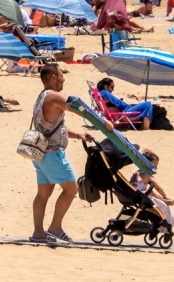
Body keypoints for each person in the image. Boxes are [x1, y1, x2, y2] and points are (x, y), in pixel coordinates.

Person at [30, 64, 113, 243]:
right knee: (71, 189)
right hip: (52, 154)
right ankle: (55, 227)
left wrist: (78, 135)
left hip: (39, 153)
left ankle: (38, 232)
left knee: (43, 193)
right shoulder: (54, 97)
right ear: (53, 77)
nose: (63, 78)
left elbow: (53, 127)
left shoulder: (41, 97)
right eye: (61, 75)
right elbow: (82, 110)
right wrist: (103, 121)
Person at [129, 150, 174, 229]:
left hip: (134, 196)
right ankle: (166, 228)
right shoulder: (147, 175)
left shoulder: (136, 173)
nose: (156, 168)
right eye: (154, 166)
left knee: (150, 194)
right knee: (165, 207)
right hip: (142, 197)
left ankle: (156, 226)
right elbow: (158, 187)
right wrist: (165, 197)